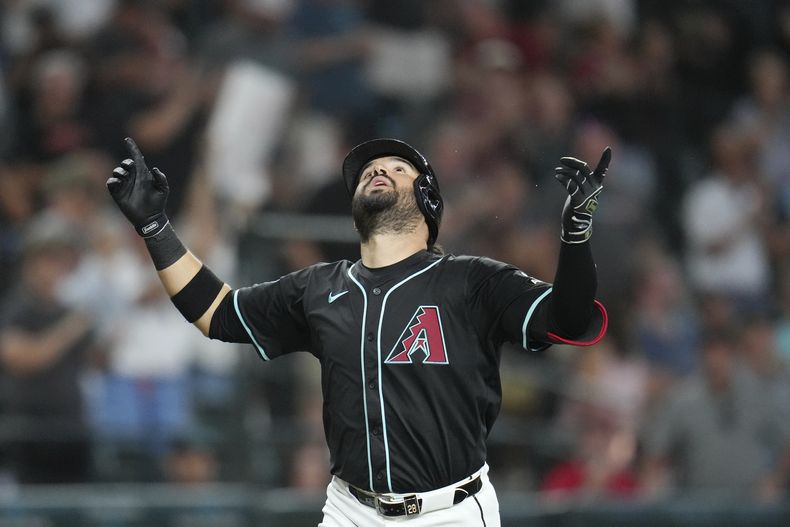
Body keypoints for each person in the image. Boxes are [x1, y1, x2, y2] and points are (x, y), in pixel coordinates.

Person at [107, 137, 610, 525]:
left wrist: (577, 233)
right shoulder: (319, 287)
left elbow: (567, 318)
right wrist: (155, 227)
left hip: (451, 510)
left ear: (428, 199)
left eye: (397, 168)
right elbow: (217, 313)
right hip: (352, 509)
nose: (378, 170)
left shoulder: (472, 280)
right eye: (370, 170)